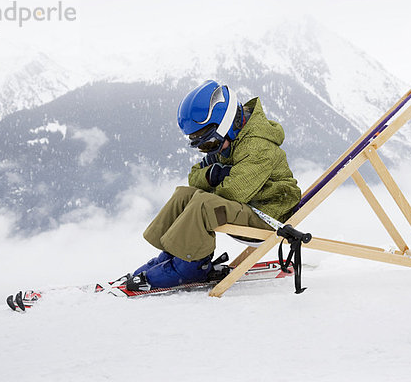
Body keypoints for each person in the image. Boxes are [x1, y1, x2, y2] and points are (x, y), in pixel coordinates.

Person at [125, 80, 301, 291]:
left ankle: (191, 267)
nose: (209, 151)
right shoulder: (228, 141)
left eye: (210, 144)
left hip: (269, 214)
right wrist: (213, 174)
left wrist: (211, 183)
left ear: (230, 125)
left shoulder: (258, 146)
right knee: (184, 194)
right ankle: (174, 253)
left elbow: (234, 192)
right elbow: (194, 176)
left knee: (203, 203)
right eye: (202, 147)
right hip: (248, 205)